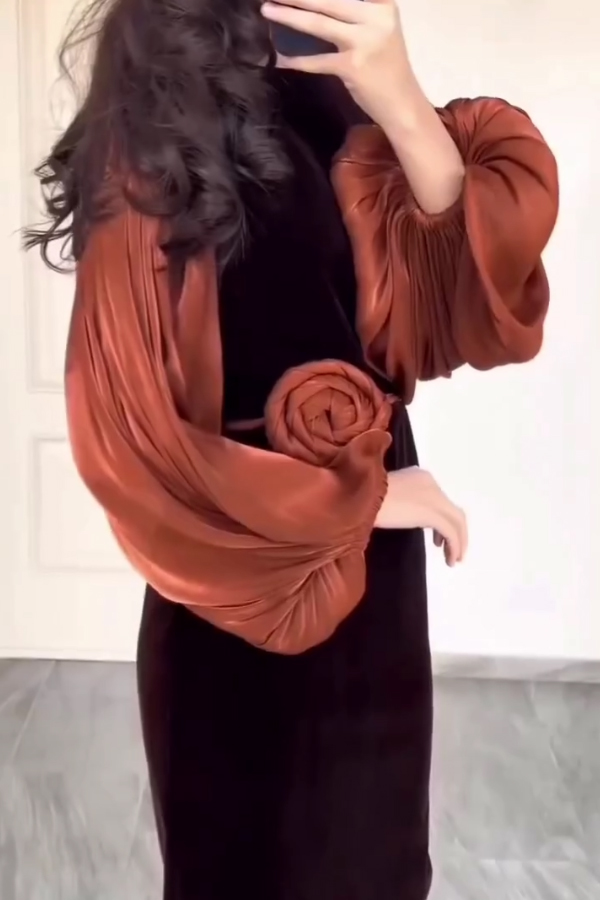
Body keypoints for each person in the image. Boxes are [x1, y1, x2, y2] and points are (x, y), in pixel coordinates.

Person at [26, 0, 558, 897]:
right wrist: (371, 499)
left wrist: (399, 95)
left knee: (377, 865)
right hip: (239, 587)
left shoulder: (338, 70)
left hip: (376, 597)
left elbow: (455, 303)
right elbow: (124, 434)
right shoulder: (159, 102)